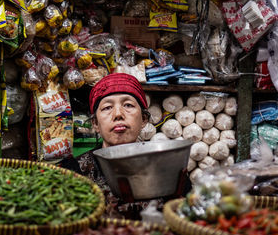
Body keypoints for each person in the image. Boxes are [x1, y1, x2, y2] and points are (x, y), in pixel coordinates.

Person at [61, 73, 188, 219]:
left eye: (128, 105)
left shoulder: (169, 170)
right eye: (107, 107)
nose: (118, 114)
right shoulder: (73, 172)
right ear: (95, 124)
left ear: (144, 119)